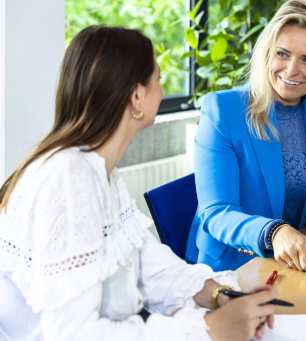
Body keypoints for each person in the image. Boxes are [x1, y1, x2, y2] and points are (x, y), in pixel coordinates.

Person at [0, 26, 276, 341]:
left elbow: (150, 267)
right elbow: (73, 334)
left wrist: (223, 294)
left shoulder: (101, 173)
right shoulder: (69, 179)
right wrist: (209, 329)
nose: (161, 89)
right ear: (136, 96)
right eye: (157, 78)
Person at [189, 0, 306, 273]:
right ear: (267, 53)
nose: (292, 70)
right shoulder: (223, 112)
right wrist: (274, 232)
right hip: (232, 267)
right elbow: (216, 213)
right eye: (282, 54)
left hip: (296, 263)